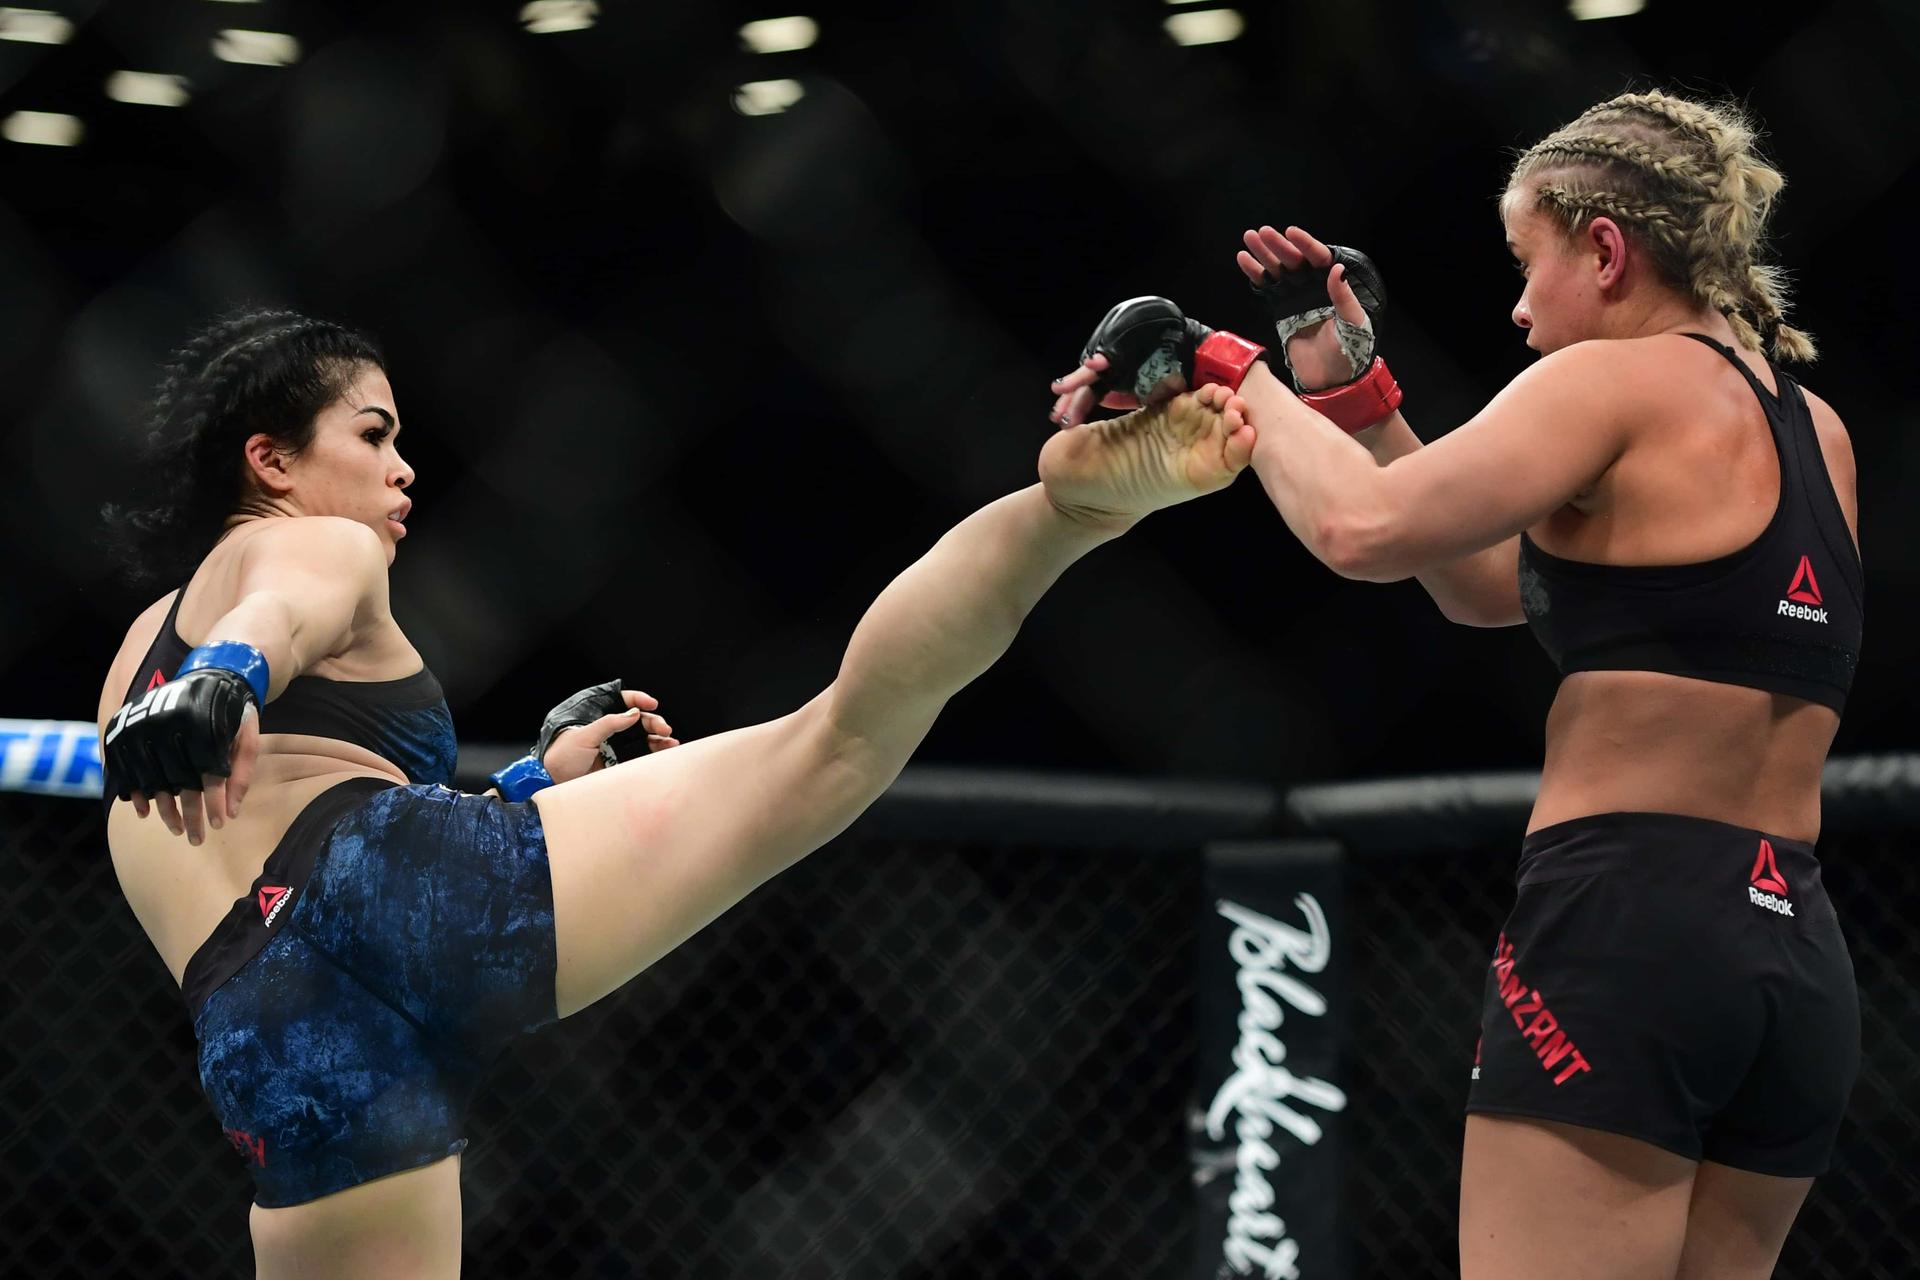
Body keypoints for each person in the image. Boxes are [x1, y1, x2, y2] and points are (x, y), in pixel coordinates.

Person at [97, 307, 1256, 1277]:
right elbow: (291, 609)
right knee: (833, 740)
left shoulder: (128, 666)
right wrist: (232, 671)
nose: (403, 467)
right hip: (387, 887)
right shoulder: (308, 544)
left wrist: (525, 786)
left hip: (265, 1031)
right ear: (272, 462)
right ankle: (1069, 510)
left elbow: (291, 875)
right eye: (373, 433)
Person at [1051, 90, 1860, 1280]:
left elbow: (1359, 529)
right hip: (1792, 950)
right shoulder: (1813, 427)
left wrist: (1222, 365)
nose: (1521, 311)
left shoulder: (1611, 384)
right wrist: (1348, 389)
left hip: (1629, 925)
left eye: (1530, 265)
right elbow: (1487, 583)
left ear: (1606, 250)